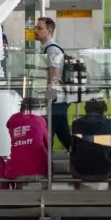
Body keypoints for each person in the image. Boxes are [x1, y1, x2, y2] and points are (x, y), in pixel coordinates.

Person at [69, 97, 111, 188]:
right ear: (104, 109)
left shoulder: (76, 123)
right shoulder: (110, 123)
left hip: (80, 172)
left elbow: (73, 148)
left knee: (72, 148)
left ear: (86, 108)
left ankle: (76, 186)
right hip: (105, 172)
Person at [35, 15, 71, 148]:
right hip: (58, 100)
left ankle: (46, 166)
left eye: (39, 28)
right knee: (63, 134)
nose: (36, 31)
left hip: (55, 100)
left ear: (49, 32)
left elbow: (54, 77)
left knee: (47, 135)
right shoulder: (47, 49)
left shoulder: (52, 50)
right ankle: (81, 160)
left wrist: (48, 100)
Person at [2, 96, 51, 183]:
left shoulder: (13, 119)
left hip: (15, 169)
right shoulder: (40, 120)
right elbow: (47, 144)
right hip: (39, 170)